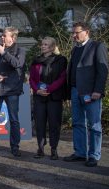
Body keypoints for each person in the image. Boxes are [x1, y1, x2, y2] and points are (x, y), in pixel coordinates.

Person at [63, 22, 108, 167]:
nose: (74, 35)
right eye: (73, 33)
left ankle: (94, 155)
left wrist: (98, 90)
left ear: (86, 32)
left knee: (94, 125)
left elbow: (103, 71)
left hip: (91, 92)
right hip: (75, 91)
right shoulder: (75, 49)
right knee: (77, 123)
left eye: (77, 32)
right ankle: (81, 153)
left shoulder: (97, 46)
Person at [0, 26, 26, 157]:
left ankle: (15, 147)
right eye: (2, 35)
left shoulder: (20, 50)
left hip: (12, 89)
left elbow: (17, 64)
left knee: (14, 119)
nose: (1, 37)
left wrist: (3, 53)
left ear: (13, 38)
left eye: (4, 35)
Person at [29, 37, 68, 160]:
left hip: (54, 97)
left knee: (54, 124)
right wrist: (37, 90)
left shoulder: (60, 60)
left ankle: (54, 149)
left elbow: (62, 78)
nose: (43, 46)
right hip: (39, 97)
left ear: (52, 47)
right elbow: (31, 79)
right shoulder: (36, 61)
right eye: (42, 44)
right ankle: (40, 148)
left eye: (46, 44)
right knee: (39, 124)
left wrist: (49, 89)